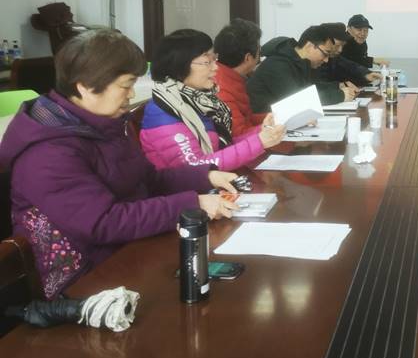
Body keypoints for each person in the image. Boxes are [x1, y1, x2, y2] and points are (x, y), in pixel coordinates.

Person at [0, 29, 241, 299]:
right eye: (125, 86)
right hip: (83, 281)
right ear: (85, 86)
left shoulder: (105, 124)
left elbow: (147, 179)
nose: (131, 95)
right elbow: (103, 222)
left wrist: (206, 177)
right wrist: (192, 204)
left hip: (127, 249)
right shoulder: (47, 152)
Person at [141, 29, 284, 170]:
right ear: (179, 64)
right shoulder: (163, 112)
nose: (215, 67)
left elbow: (224, 146)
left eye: (214, 59)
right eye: (207, 62)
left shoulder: (200, 101)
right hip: (196, 184)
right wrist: (259, 142)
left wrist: (261, 132)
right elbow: (195, 168)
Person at [247, 25, 354, 112]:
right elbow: (298, 100)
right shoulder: (277, 64)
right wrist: (340, 95)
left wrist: (337, 86)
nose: (326, 60)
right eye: (325, 54)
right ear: (309, 46)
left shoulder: (300, 63)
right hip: (260, 124)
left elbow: (309, 89)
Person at [213, 18, 267, 137]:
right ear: (248, 58)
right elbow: (240, 136)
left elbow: (247, 119)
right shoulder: (221, 89)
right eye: (259, 51)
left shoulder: (227, 75)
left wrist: (278, 118)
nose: (260, 56)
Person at [318, 22, 380, 88]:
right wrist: (338, 86)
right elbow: (318, 85)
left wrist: (366, 74)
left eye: (366, 30)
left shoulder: (334, 56)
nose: (340, 50)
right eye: (337, 46)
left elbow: (350, 65)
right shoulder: (316, 60)